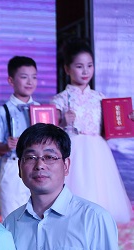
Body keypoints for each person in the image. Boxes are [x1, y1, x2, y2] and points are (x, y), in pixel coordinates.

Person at [51, 38, 132, 223]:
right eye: (79, 66)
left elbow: (108, 130)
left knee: (99, 195)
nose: (85, 71)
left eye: (89, 66)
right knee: (75, 200)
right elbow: (50, 131)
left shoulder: (100, 98)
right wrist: (62, 121)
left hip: (98, 152)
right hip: (74, 149)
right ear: (67, 69)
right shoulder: (60, 99)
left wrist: (127, 120)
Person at [0, 56, 37, 219]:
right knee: (12, 218)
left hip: (38, 167)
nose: (30, 82)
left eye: (34, 77)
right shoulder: (2, 111)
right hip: (13, 167)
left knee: (39, 217)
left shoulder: (43, 110)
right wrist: (5, 146)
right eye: (24, 77)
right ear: (11, 80)